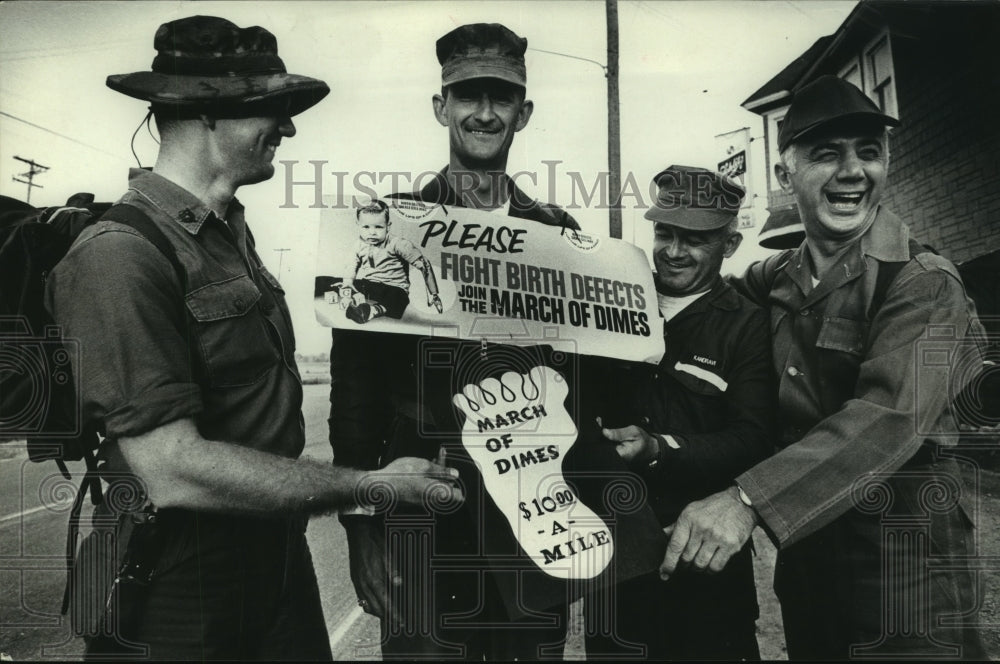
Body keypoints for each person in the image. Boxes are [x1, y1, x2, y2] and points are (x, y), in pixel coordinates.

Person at [45, 16, 461, 661]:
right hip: (179, 581)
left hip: (273, 559)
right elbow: (173, 469)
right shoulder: (120, 255)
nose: (289, 127)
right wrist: (367, 483)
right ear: (205, 112)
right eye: (273, 107)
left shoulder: (228, 235)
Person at [658, 75, 986, 659]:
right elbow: (702, 294)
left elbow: (889, 416)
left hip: (906, 562)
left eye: (869, 152)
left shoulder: (924, 281)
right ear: (786, 177)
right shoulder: (775, 277)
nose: (852, 171)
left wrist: (746, 500)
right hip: (810, 556)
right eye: (827, 154)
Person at [329, 23, 582, 660]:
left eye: (502, 98)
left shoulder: (558, 233)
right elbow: (354, 395)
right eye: (469, 96)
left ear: (524, 113)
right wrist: (361, 525)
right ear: (441, 106)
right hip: (422, 504)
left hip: (530, 508)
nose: (485, 112)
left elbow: (584, 385)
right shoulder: (386, 226)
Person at [584, 166, 773, 660]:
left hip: (705, 566)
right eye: (665, 233)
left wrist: (659, 449)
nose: (672, 251)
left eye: (694, 239)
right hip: (615, 561)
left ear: (729, 245)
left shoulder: (749, 325)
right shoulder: (613, 296)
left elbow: (753, 436)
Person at [337, 199, 443, 323]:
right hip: (371, 285)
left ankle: (371, 311)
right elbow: (351, 265)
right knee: (326, 281)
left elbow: (425, 265)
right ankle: (353, 304)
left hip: (393, 289)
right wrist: (347, 282)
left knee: (399, 299)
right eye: (366, 227)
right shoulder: (358, 245)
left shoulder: (398, 244)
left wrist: (434, 294)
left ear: (388, 226)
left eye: (378, 227)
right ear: (358, 225)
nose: (372, 232)